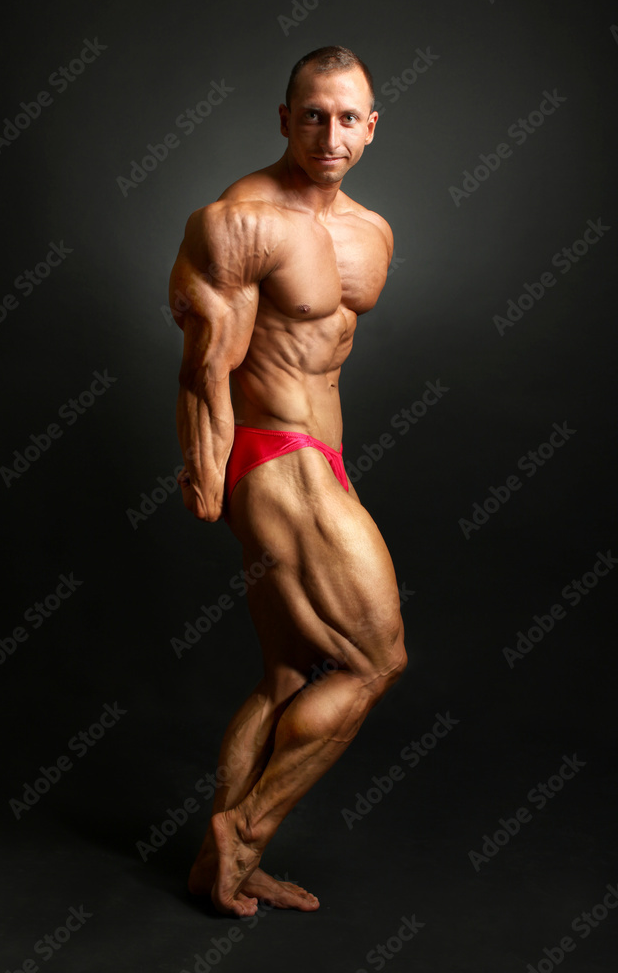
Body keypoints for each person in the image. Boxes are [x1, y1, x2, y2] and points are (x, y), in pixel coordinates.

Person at [169, 45, 407, 918]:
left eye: (348, 117)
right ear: (283, 118)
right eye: (312, 114)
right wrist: (207, 470)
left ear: (372, 127)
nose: (330, 133)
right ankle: (248, 831)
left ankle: (212, 862)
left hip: (325, 458)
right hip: (274, 457)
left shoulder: (373, 232)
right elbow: (207, 365)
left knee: (290, 675)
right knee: (378, 658)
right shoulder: (239, 219)